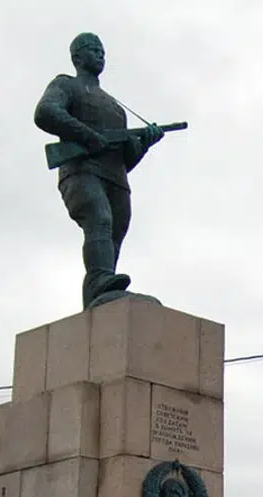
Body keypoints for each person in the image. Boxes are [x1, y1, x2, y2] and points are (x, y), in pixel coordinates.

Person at [34, 32, 167, 309]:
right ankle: (99, 282)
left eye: (102, 50)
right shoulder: (66, 85)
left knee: (114, 233)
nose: (99, 53)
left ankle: (101, 293)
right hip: (82, 172)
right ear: (76, 57)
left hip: (115, 179)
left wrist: (144, 144)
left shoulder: (116, 108)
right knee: (100, 219)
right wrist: (88, 136)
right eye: (92, 48)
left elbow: (124, 160)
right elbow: (46, 112)